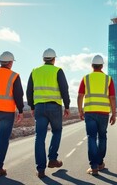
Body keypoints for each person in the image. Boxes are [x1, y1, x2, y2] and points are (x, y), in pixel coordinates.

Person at [26, 48, 71, 178]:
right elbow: (64, 89)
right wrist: (67, 106)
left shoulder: (35, 71)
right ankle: (52, 159)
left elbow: (29, 91)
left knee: (39, 137)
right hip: (54, 107)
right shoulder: (58, 71)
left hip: (39, 107)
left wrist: (32, 106)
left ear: (43, 59)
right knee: (56, 131)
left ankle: (40, 169)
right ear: (54, 59)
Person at [77, 55, 117, 176]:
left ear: (92, 65)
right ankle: (100, 163)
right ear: (102, 65)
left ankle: (93, 167)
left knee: (92, 138)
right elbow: (113, 97)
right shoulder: (108, 79)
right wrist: (114, 113)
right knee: (102, 137)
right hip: (104, 113)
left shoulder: (86, 78)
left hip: (90, 112)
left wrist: (80, 110)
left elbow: (80, 96)